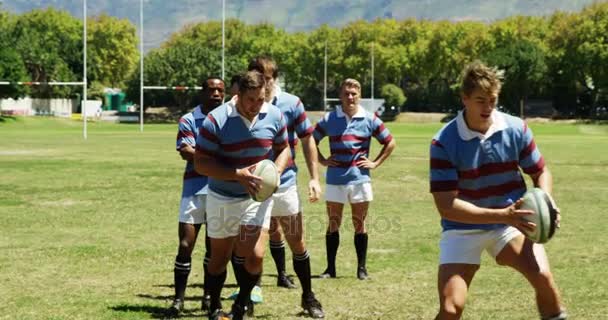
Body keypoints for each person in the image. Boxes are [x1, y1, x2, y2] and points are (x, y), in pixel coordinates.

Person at [429, 61, 566, 320]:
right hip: (462, 228)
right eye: (480, 100)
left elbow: (540, 172)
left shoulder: (515, 129)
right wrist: (504, 215)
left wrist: (545, 200)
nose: (488, 107)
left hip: (509, 225)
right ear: (464, 98)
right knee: (450, 308)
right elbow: (447, 206)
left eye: (493, 100)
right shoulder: (443, 142)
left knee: (544, 278)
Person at [194, 70, 291, 320]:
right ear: (238, 95)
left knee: (255, 255)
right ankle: (215, 307)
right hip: (222, 197)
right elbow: (201, 164)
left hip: (256, 198)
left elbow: (284, 149)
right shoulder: (216, 120)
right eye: (251, 100)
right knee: (219, 258)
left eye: (261, 99)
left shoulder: (274, 115)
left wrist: (275, 174)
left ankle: (239, 308)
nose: (256, 106)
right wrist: (237, 174)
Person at [248, 56, 325, 318]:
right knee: (253, 246)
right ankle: (247, 297)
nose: (264, 84)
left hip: (285, 184)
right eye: (258, 78)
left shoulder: (292, 103)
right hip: (253, 187)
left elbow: (307, 139)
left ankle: (308, 296)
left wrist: (314, 178)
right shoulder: (243, 104)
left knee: (297, 242)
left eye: (267, 78)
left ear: (275, 79)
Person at [313, 78, 396, 280]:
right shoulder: (330, 118)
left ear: (359, 95)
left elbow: (390, 142)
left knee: (360, 223)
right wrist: (323, 160)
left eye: (354, 93)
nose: (350, 97)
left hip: (359, 180)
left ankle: (362, 269)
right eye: (346, 93)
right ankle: (330, 269)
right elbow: (310, 140)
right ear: (340, 96)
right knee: (333, 223)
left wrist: (375, 163)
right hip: (335, 179)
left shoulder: (370, 118)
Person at [166, 77, 225, 317]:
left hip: (221, 191)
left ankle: (209, 297)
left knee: (214, 249)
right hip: (194, 190)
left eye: (220, 90)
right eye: (211, 90)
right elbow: (186, 152)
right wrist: (219, 159)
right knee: (185, 245)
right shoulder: (189, 119)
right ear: (202, 93)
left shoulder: (229, 120)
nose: (216, 94)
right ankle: (178, 300)